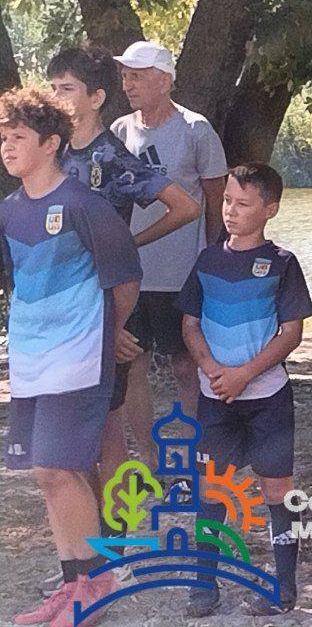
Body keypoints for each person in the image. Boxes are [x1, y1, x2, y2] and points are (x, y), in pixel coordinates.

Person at [1, 87, 142, 627]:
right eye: (3, 138)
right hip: (31, 359)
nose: (7, 147)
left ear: (51, 144)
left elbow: (125, 279)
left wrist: (107, 334)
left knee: (56, 466)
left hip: (78, 357)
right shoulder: (9, 211)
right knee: (49, 474)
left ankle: (96, 583)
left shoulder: (85, 205)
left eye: (18, 137)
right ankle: (72, 584)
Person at [48, 45, 200, 483]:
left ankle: (112, 517)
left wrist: (131, 242)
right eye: (53, 88)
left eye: (67, 89)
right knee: (70, 421)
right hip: (59, 297)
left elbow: (186, 206)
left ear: (95, 97)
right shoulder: (52, 150)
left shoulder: (112, 157)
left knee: (105, 421)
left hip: (101, 297)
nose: (56, 98)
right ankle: (85, 512)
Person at [178, 162, 312, 617]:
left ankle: (284, 585)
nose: (230, 211)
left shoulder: (282, 264)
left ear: (270, 209)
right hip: (216, 397)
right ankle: (204, 584)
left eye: (243, 204)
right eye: (227, 201)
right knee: (211, 490)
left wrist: (245, 374)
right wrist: (213, 369)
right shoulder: (207, 260)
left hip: (268, 399)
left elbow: (291, 333)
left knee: (278, 490)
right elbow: (190, 323)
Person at [111, 39, 228, 430]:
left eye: (137, 76)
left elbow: (216, 200)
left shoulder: (196, 129)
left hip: (183, 273)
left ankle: (191, 449)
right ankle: (147, 455)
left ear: (164, 80)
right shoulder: (119, 130)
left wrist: (212, 258)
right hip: (132, 274)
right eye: (125, 76)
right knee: (132, 363)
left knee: (185, 365)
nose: (127, 85)